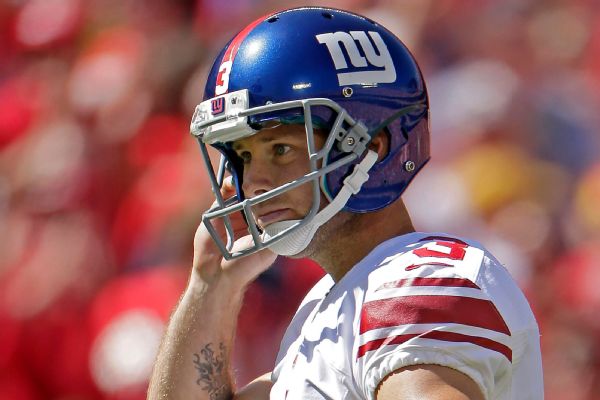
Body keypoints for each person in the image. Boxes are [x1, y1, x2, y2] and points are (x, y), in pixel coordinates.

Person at [148, 7, 543, 400]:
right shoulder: (331, 302)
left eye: (280, 149)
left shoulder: (419, 280)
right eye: (245, 157)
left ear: (373, 149)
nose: (251, 183)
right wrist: (212, 286)